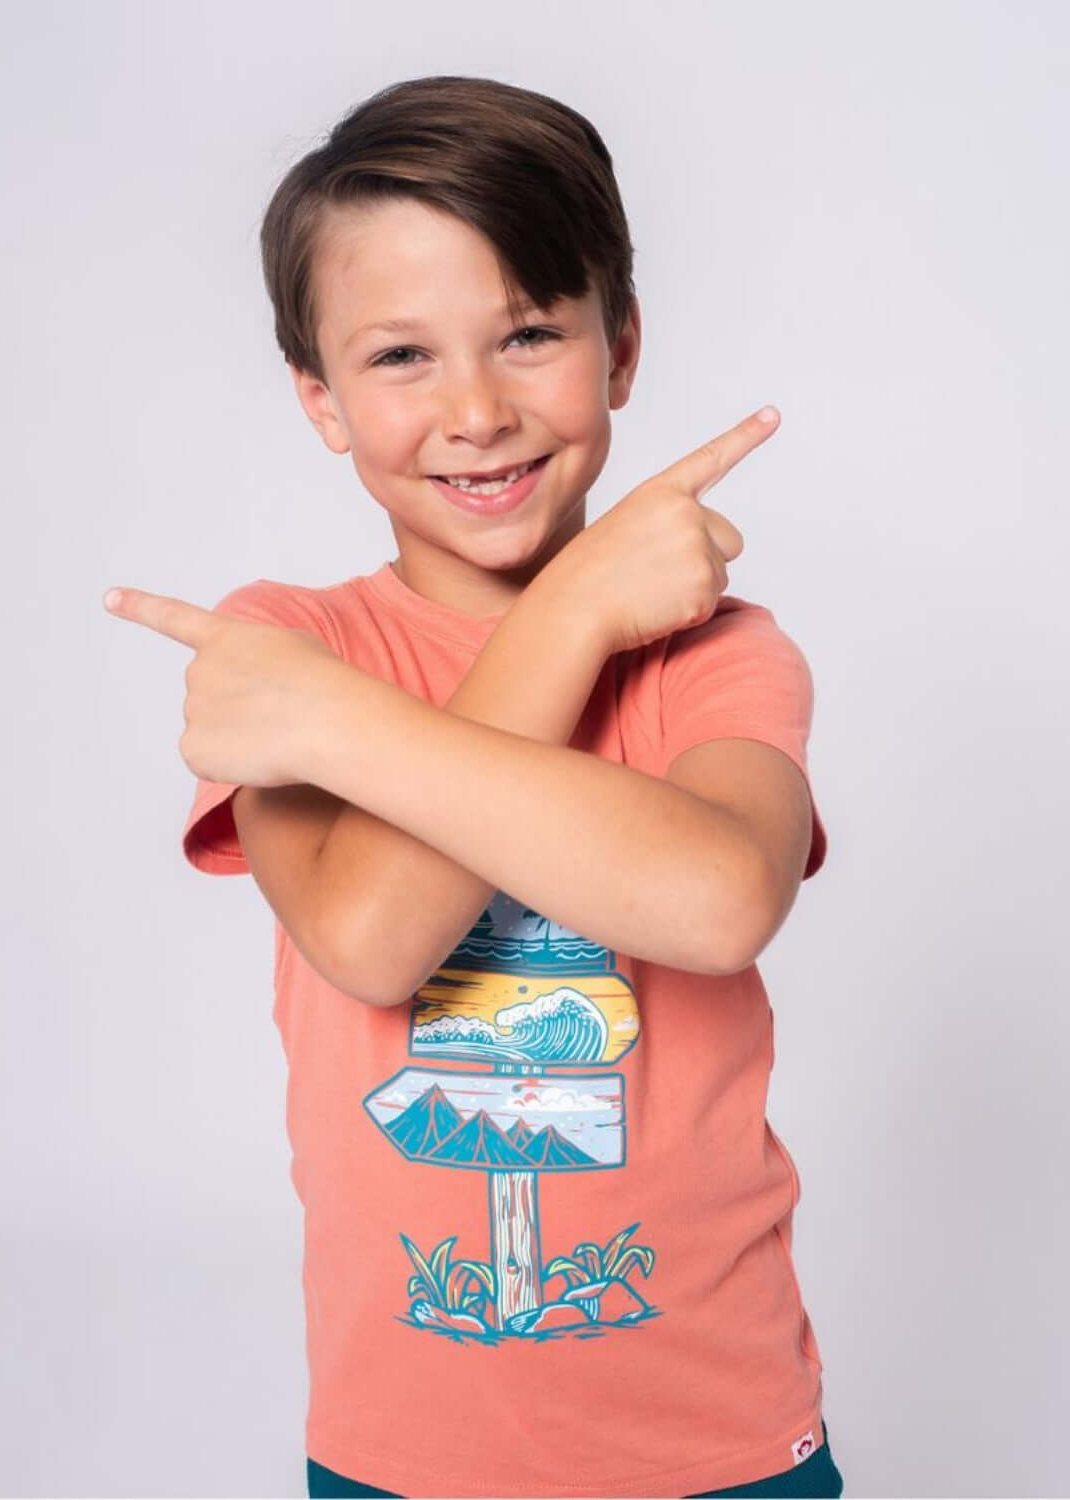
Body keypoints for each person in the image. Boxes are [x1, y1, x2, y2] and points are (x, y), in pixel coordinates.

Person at [105, 74, 844, 1500]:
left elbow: (719, 899)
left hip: (724, 1441)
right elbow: (374, 940)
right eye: (400, 358)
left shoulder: (720, 658)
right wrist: (570, 616)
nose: (478, 410)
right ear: (317, 396)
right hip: (403, 1456)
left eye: (528, 334)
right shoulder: (301, 642)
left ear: (620, 348)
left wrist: (351, 721)